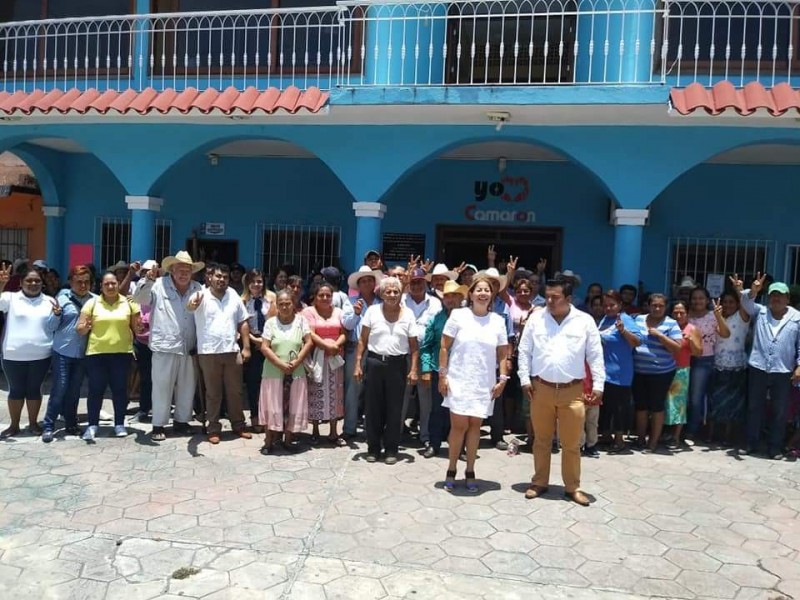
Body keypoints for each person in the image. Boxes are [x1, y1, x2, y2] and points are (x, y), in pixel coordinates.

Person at [517, 277, 605, 507]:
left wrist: (598, 386)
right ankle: (539, 482)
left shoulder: (584, 321)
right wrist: (524, 379)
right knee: (541, 440)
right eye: (547, 296)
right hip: (541, 389)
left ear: (568, 299)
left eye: (554, 297)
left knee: (572, 443)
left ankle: (572, 487)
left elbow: (595, 355)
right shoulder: (536, 319)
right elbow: (524, 350)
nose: (549, 301)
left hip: (572, 391)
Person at [439, 275, 509, 492]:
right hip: (459, 379)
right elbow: (444, 346)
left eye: (486, 290)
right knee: (458, 426)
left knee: (475, 427)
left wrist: (503, 379)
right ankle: (451, 469)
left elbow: (502, 353)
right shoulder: (459, 316)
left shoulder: (497, 321)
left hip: (483, 382)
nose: (482, 293)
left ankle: (470, 470)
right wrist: (443, 375)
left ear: (492, 295)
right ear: (470, 294)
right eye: (478, 289)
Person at [133, 252, 205, 441]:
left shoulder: (198, 288)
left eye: (187, 270)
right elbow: (139, 299)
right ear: (172, 270)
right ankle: (158, 424)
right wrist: (147, 281)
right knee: (162, 387)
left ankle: (182, 422)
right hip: (164, 346)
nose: (183, 273)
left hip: (189, 346)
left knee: (187, 387)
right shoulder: (158, 285)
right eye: (180, 269)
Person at [354, 276, 419, 464]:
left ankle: (391, 449)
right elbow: (362, 341)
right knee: (373, 408)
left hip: (397, 365)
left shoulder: (408, 315)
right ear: (381, 293)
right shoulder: (373, 312)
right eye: (388, 291)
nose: (392, 295)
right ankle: (373, 448)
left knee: (395, 409)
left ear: (401, 294)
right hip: (374, 363)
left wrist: (414, 369)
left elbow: (414, 346)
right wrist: (358, 363)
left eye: (396, 292)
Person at [188, 264, 253, 444]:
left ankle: (238, 425)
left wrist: (246, 346)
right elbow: (190, 306)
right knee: (213, 393)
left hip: (232, 350)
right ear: (210, 277)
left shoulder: (233, 295)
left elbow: (243, 321)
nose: (221, 280)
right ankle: (213, 428)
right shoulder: (200, 294)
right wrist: (193, 304)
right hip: (208, 352)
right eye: (218, 276)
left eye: (224, 277)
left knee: (235, 391)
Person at [737, 273, 800, 458]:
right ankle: (751, 443)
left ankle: (774, 447)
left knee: (780, 411)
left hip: (783, 370)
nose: (776, 298)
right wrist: (753, 291)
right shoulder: (761, 311)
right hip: (758, 367)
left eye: (780, 295)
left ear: (787, 298)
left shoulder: (797, 318)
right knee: (754, 407)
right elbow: (746, 303)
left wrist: (799, 366)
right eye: (773, 294)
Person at [76, 271, 143, 441]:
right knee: (95, 391)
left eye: (114, 283)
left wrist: (140, 326)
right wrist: (85, 327)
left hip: (121, 354)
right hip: (96, 354)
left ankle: (119, 424)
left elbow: (137, 327)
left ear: (118, 284)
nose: (111, 286)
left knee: (120, 390)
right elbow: (80, 328)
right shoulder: (92, 303)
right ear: (101, 286)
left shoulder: (128, 303)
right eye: (107, 284)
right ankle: (92, 425)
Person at [0, 266, 60, 438]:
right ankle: (14, 425)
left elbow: (53, 325)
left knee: (34, 389)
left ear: (42, 283)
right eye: (29, 280)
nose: (33, 283)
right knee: (16, 390)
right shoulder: (10, 298)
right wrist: (1, 284)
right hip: (13, 354)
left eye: (37, 281)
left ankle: (33, 423)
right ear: (21, 283)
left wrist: (57, 316)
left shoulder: (50, 301)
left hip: (41, 355)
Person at [42, 266, 96, 442]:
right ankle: (48, 425)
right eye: (79, 282)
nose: (83, 285)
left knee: (74, 391)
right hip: (63, 352)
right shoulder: (62, 299)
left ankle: (71, 424)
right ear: (71, 282)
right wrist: (56, 315)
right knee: (60, 389)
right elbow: (50, 327)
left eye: (86, 282)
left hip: (82, 354)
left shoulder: (95, 301)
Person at [259, 290, 314, 454]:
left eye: (287, 303)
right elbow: (264, 346)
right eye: (281, 303)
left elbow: (309, 342)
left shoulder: (301, 321)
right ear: (276, 304)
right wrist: (280, 364)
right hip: (273, 371)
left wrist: (297, 361)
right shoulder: (270, 323)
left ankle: (289, 439)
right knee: (272, 406)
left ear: (293, 304)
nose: (284, 307)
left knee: (294, 405)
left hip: (296, 370)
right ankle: (269, 441)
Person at [420, 280, 467, 458]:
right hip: (438, 369)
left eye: (454, 295)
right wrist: (425, 369)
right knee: (437, 409)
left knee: (460, 410)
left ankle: (459, 447)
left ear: (461, 298)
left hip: (462, 371)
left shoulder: (469, 320)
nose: (450, 299)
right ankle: (434, 444)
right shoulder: (435, 319)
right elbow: (427, 346)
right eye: (447, 296)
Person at [632, 293, 683, 453]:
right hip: (638, 370)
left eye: (661, 305)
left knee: (656, 407)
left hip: (661, 372)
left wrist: (660, 335)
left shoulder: (671, 323)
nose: (657, 308)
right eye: (654, 305)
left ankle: (652, 443)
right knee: (640, 406)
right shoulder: (639, 319)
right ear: (648, 305)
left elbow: (677, 348)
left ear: (665, 307)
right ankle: (640, 439)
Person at [596, 289, 643, 454]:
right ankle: (607, 436)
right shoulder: (604, 320)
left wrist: (623, 331)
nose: (608, 308)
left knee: (619, 409)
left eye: (612, 305)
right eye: (605, 305)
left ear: (620, 305)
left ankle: (620, 440)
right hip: (604, 372)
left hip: (620, 373)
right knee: (607, 407)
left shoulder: (625, 320)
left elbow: (638, 342)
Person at [401, 267, 442, 451]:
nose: (417, 285)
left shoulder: (435, 303)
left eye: (420, 281)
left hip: (426, 355)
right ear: (409, 284)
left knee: (426, 400)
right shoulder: (401, 300)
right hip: (404, 355)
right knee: (401, 397)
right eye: (413, 282)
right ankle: (397, 432)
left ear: (426, 283)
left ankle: (425, 435)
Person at [302, 282, 347, 445]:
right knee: (316, 391)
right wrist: (326, 345)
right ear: (315, 296)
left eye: (329, 295)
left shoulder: (339, 312)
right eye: (321, 295)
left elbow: (344, 332)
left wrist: (336, 345)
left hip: (335, 358)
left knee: (335, 394)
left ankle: (334, 432)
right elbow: (309, 333)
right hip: (317, 358)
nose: (325, 298)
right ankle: (314, 430)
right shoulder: (308, 312)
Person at [707, 289, 751, 446]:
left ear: (737, 304)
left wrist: (740, 291)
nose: (727, 305)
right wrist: (718, 316)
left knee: (733, 404)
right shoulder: (715, 317)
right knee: (715, 401)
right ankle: (711, 434)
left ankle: (727, 436)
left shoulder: (742, 317)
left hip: (736, 367)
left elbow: (726, 333)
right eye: (725, 302)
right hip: (717, 365)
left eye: (731, 302)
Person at [686, 287, 730, 439]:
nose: (697, 301)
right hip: (684, 359)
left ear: (707, 300)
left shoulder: (713, 315)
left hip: (704, 361)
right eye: (694, 298)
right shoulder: (685, 315)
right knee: (682, 395)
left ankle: (692, 430)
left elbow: (725, 334)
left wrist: (719, 316)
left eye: (701, 298)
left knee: (696, 398)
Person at [242, 269, 276, 433]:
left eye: (260, 281)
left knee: (269, 383)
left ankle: (268, 418)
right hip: (251, 343)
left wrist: (264, 342)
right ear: (248, 283)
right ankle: (255, 417)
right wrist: (253, 341)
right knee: (253, 383)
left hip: (269, 344)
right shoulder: (242, 301)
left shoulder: (271, 299)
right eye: (253, 281)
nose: (257, 284)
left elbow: (274, 322)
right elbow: (241, 324)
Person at [666, 300, 702, 448]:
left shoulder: (692, 329)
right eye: (676, 312)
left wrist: (691, 340)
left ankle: (676, 436)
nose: (678, 315)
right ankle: (664, 432)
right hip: (664, 368)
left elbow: (698, 353)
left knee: (678, 404)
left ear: (687, 314)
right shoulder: (666, 326)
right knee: (664, 403)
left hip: (681, 370)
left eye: (682, 312)